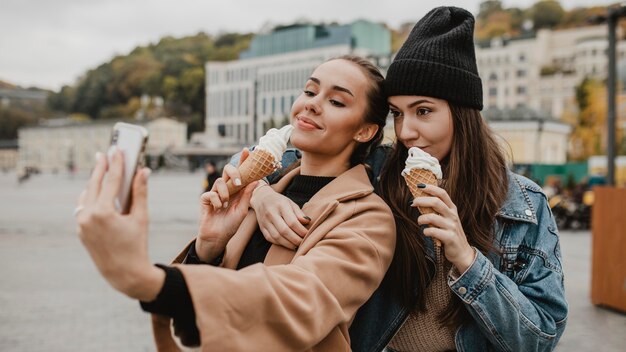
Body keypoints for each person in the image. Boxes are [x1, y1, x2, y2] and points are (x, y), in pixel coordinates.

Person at [245, 7, 568, 352]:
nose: (406, 131)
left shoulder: (523, 204)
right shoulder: (381, 171)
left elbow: (540, 338)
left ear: (462, 114)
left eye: (423, 111)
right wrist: (261, 194)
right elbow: (259, 158)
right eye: (397, 114)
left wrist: (467, 258)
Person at [75, 55, 396, 351]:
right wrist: (207, 248)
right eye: (310, 91)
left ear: (365, 131)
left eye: (337, 101)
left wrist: (147, 279)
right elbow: (195, 330)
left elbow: (298, 302)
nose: (312, 105)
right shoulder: (260, 195)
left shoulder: (368, 218)